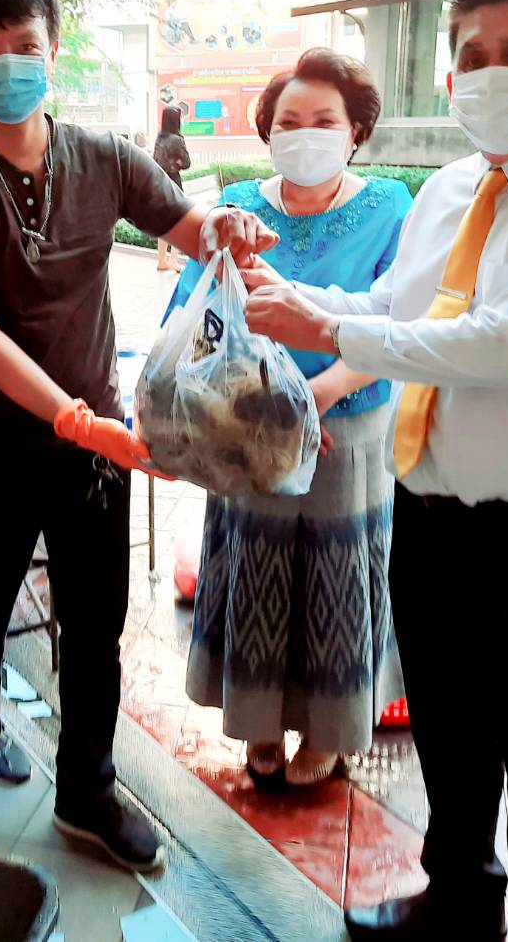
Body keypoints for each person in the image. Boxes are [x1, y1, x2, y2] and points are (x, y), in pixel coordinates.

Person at [244, 0, 508, 940]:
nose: (489, 73)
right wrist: (290, 298)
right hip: (427, 513)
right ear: (449, 76)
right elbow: (396, 308)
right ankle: (459, 899)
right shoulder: (445, 189)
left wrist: (326, 328)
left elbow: (498, 343)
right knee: (447, 723)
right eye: (471, 56)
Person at [0, 0, 276, 871]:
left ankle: (87, 792)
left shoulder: (105, 158)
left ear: (53, 52)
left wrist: (225, 226)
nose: (6, 63)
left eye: (24, 46)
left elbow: (189, 228)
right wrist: (77, 421)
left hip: (93, 455)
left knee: (95, 630)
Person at [169, 49, 408, 788]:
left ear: (356, 131)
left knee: (337, 578)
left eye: (324, 121)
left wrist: (319, 397)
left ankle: (327, 731)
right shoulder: (238, 204)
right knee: (255, 567)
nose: (305, 134)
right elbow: (196, 312)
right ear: (267, 132)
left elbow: (401, 321)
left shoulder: (391, 206)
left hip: (347, 422)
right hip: (247, 422)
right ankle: (258, 725)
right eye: (289, 121)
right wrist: (263, 407)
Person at [152, 105, 192, 271]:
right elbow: (187, 163)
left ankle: (161, 260)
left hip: (160, 182)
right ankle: (173, 260)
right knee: (178, 222)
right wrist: (178, 163)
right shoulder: (177, 140)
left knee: (163, 223)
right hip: (174, 182)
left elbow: (155, 161)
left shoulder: (159, 138)